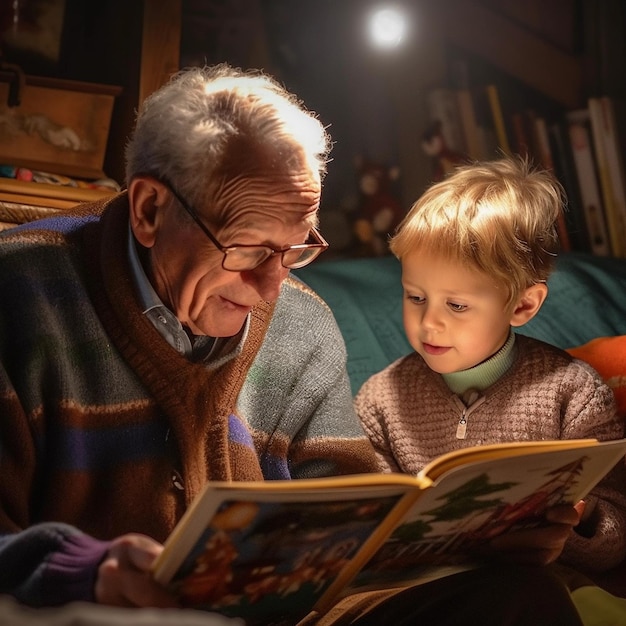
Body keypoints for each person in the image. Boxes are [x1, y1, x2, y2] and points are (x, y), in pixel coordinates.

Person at [0, 65, 584, 625]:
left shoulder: (302, 322)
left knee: (522, 599)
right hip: (90, 615)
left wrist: (482, 541)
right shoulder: (21, 297)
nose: (273, 287)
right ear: (151, 209)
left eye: (298, 248)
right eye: (251, 249)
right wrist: (81, 570)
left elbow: (349, 547)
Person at [355, 157, 626, 583]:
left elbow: (616, 537)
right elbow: (368, 531)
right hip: (428, 594)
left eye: (457, 305)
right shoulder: (380, 398)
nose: (429, 323)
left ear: (522, 305)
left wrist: (577, 522)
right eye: (415, 297)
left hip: (541, 585)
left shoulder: (572, 393)